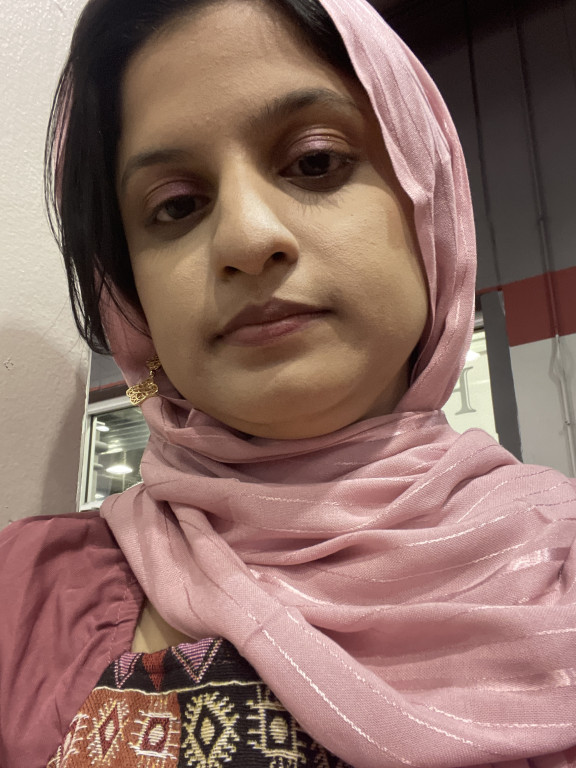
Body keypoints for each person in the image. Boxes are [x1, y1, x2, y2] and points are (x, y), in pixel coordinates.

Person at [1, 0, 575, 765]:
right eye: (177, 206)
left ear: (426, 205)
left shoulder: (561, 550)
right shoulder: (23, 599)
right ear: (132, 298)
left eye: (314, 161)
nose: (247, 238)